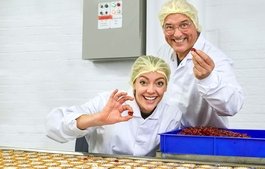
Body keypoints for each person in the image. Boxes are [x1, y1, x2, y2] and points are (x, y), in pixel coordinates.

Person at [46, 55, 182, 157]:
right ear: (133, 83)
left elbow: (168, 156)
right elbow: (54, 125)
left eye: (159, 83)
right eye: (143, 82)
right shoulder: (106, 102)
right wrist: (98, 119)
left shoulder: (171, 114)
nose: (151, 90)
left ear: (166, 87)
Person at [156, 0, 244, 128]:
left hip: (205, 141)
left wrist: (208, 79)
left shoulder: (215, 58)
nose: (177, 33)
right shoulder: (163, 52)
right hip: (169, 137)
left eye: (184, 25)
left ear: (195, 25)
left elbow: (233, 106)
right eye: (169, 27)